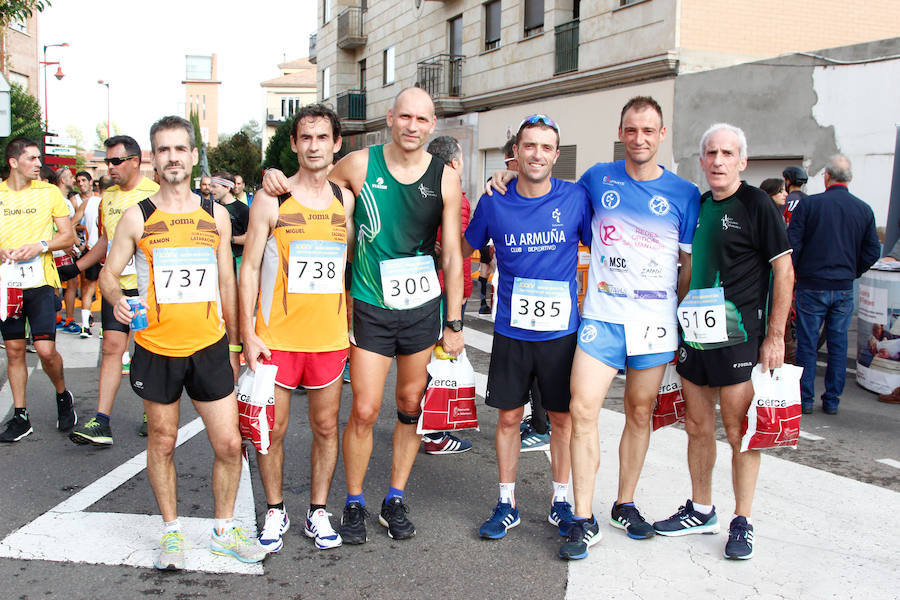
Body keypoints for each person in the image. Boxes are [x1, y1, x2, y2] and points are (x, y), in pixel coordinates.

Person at [262, 87, 465, 544]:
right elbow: (312, 186)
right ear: (390, 118)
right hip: (371, 305)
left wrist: (454, 323)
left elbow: (452, 253)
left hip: (421, 308)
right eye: (405, 117)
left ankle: (394, 497)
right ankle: (353, 502)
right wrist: (275, 178)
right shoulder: (359, 164)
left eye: (422, 119)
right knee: (367, 409)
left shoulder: (445, 177)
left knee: (411, 407)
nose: (412, 126)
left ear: (433, 125)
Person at [101, 115, 266, 570]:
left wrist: (236, 346)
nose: (173, 157)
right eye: (164, 150)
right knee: (163, 440)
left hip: (210, 346)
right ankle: (171, 532)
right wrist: (116, 299)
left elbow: (229, 286)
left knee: (230, 445)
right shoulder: (139, 216)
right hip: (156, 347)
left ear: (193, 157)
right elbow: (109, 274)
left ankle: (224, 529)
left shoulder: (215, 214)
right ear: (154, 160)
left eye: (181, 149)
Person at [652, 123, 793, 561]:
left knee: (737, 432)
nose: (718, 161)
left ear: (742, 161)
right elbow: (688, 269)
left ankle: (742, 521)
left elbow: (785, 272)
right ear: (702, 160)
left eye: (727, 153)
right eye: (711, 153)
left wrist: (774, 336)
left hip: (739, 338)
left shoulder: (756, 205)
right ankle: (700, 508)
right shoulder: (696, 206)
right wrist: (673, 322)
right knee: (696, 427)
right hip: (695, 334)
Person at [470, 114, 591, 543]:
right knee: (507, 418)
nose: (537, 154)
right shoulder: (494, 200)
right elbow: (462, 247)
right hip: (511, 331)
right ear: (516, 152)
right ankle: (507, 503)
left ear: (556, 155)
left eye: (546, 147)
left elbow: (607, 245)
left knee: (561, 418)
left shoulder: (576, 198)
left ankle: (561, 501)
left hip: (561, 334)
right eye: (529, 146)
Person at [240, 104, 353, 552]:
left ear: (335, 144)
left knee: (327, 428)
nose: (313, 146)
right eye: (305, 137)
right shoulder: (272, 198)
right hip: (277, 339)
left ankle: (318, 511)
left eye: (322, 137)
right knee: (273, 428)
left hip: (328, 338)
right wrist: (247, 332)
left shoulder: (345, 199)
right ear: (293, 144)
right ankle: (274, 508)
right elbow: (248, 268)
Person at [66, 135, 160, 446]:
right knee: (111, 349)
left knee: (148, 353)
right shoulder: (108, 198)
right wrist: (76, 267)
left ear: (136, 161)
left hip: (148, 289)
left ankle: (151, 413)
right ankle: (101, 421)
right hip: (115, 286)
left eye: (116, 161)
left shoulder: (157, 193)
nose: (111, 167)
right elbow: (105, 242)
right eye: (108, 161)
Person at [787, 154, 880, 415]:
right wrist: (853, 270)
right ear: (849, 179)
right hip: (842, 286)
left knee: (806, 343)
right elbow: (872, 251)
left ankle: (805, 399)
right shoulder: (863, 209)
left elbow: (792, 244)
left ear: (826, 176)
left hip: (811, 284)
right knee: (838, 345)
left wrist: (797, 273)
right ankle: (832, 401)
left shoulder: (810, 205)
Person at [0, 137, 77, 442]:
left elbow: (68, 236)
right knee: (15, 351)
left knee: (45, 350)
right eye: (31, 158)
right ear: (13, 162)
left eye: (38, 159)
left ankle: (62, 394)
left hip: (42, 281)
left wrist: (40, 245)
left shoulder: (49, 193)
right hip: (9, 284)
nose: (38, 164)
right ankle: (21, 416)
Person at [421, 135, 473, 455]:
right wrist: (464, 295)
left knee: (430, 360)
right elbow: (459, 254)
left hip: (427, 288)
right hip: (446, 293)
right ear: (454, 163)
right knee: (441, 363)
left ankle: (426, 425)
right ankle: (436, 433)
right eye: (463, 158)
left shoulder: (423, 193)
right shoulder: (458, 199)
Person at [73, 171, 102, 337]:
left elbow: (71, 225)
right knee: (107, 290)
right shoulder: (113, 200)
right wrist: (79, 245)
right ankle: (105, 328)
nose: (81, 183)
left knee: (88, 289)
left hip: (92, 250)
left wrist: (80, 246)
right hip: (105, 251)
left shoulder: (88, 202)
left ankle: (85, 326)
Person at [209, 172, 249, 275]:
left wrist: (228, 239)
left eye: (214, 186)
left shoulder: (242, 209)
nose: (210, 190)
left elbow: (251, 237)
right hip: (216, 261)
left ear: (227, 187)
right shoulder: (211, 208)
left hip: (237, 261)